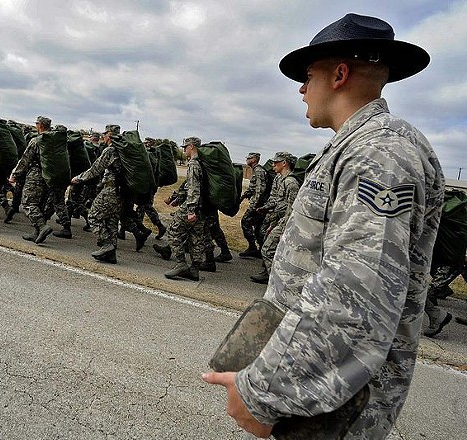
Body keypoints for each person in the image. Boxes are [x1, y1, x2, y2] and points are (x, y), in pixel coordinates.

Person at [203, 13, 444, 439]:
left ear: (339, 74)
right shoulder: (353, 147)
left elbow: (353, 298)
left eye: (307, 75)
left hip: (337, 403)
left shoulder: (380, 153)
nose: (300, 88)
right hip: (319, 395)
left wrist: (264, 393)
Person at [70, 125, 124, 264]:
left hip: (110, 190)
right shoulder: (124, 149)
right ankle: (111, 255)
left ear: (110, 135)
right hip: (121, 192)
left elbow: (95, 169)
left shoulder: (110, 150)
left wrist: (79, 178)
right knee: (111, 221)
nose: (103, 137)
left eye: (105, 134)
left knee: (93, 216)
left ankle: (107, 244)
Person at [157, 137, 205, 281]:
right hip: (202, 207)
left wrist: (190, 210)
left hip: (192, 205)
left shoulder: (193, 164)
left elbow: (194, 188)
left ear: (191, 147)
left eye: (185, 147)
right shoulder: (202, 163)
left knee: (172, 231)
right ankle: (194, 270)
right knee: (196, 237)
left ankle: (181, 264)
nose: (184, 150)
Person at [250, 152, 300, 284]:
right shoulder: (280, 179)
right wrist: (266, 209)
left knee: (267, 249)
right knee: (267, 243)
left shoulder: (291, 183)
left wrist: (283, 228)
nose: (272, 165)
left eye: (276, 162)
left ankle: (277, 281)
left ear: (284, 163)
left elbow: (292, 209)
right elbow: (277, 201)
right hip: (277, 219)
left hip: (285, 222)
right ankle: (268, 273)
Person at [9, 116, 55, 244]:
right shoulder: (55, 141)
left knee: (28, 203)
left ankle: (42, 227)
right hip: (49, 176)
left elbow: (25, 159)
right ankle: (37, 233)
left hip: (36, 175)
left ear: (40, 125)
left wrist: (15, 174)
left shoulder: (36, 140)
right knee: (39, 204)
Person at [238, 152, 269, 258]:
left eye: (249, 158)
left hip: (259, 205)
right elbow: (253, 188)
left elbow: (260, 189)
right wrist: (243, 196)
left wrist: (254, 206)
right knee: (258, 228)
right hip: (260, 204)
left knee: (245, 222)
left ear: (255, 159)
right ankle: (261, 250)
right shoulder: (256, 170)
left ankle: (253, 247)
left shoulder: (259, 171)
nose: (247, 159)